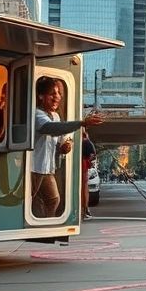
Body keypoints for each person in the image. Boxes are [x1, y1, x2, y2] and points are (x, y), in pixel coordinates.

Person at [31, 76, 105, 218]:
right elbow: (51, 128)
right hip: (34, 168)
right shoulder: (36, 114)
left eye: (59, 94)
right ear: (41, 96)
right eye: (53, 94)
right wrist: (82, 123)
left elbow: (63, 138)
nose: (57, 97)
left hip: (46, 168)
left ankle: (45, 229)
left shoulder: (55, 116)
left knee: (53, 200)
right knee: (30, 200)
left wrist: (67, 145)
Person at [81, 129, 97, 220]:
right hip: (83, 166)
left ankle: (85, 209)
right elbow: (92, 154)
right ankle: (85, 209)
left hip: (82, 165)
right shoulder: (86, 141)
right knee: (84, 187)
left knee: (84, 187)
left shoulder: (84, 140)